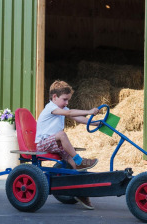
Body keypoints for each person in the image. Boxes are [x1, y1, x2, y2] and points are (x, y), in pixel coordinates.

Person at [35, 80, 100, 210]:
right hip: (43, 144)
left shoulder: (62, 108)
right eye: (65, 99)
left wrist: (97, 123)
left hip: (56, 144)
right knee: (62, 134)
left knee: (74, 164)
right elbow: (70, 114)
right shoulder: (51, 108)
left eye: (68, 100)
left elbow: (79, 119)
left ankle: (80, 192)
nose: (67, 103)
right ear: (54, 97)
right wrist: (89, 110)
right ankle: (79, 161)